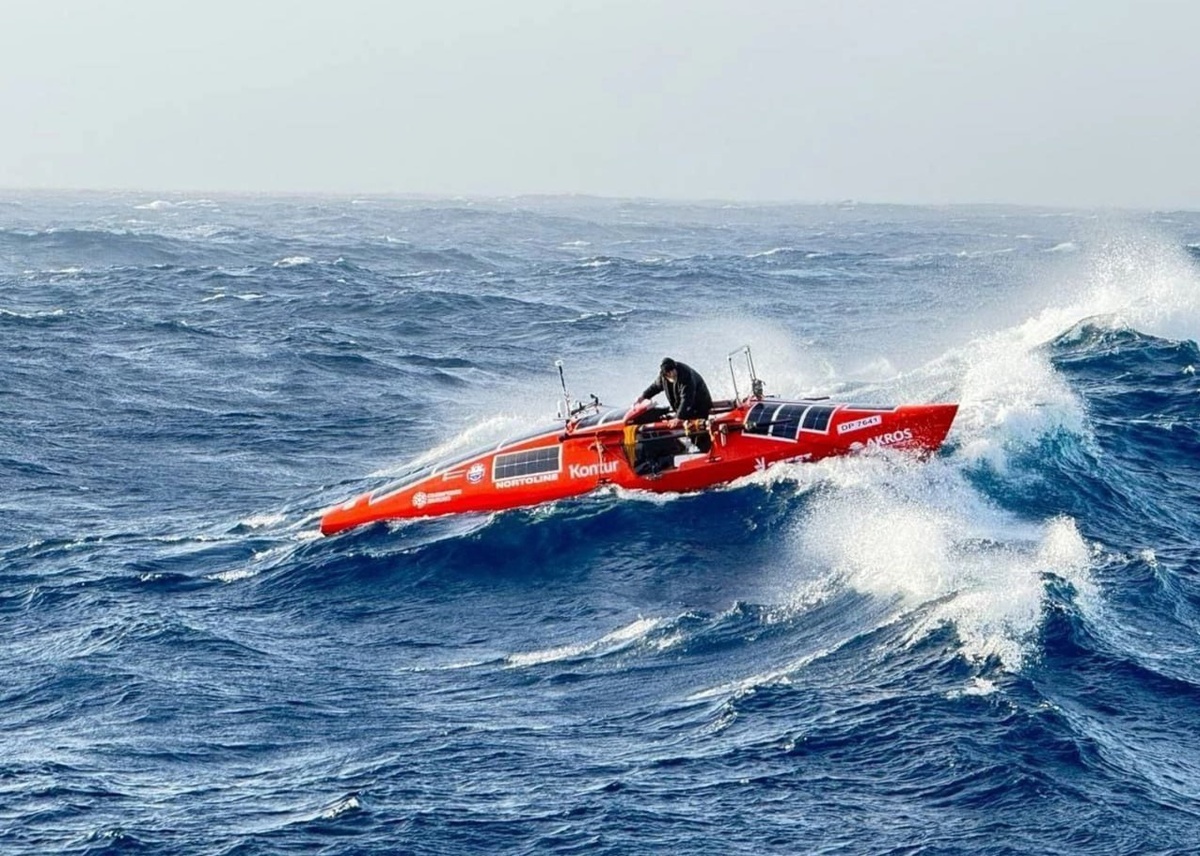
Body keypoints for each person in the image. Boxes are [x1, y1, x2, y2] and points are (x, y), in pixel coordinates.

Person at [638, 357, 714, 420]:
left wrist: (678, 417)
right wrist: (644, 396)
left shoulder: (686, 376)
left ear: (675, 367)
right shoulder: (663, 377)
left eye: (673, 370)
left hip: (699, 405)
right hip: (685, 409)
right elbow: (655, 387)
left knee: (695, 427)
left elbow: (687, 398)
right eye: (669, 373)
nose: (672, 373)